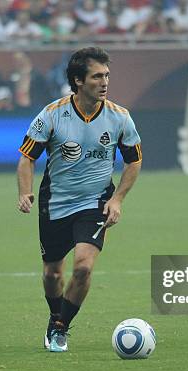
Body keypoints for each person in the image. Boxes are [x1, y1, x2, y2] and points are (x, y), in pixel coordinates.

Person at [16, 47, 142, 352]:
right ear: (78, 80)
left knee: (83, 267)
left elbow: (134, 160)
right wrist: (24, 191)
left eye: (107, 75)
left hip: (95, 202)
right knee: (52, 273)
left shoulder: (119, 117)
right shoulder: (52, 115)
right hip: (55, 203)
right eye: (97, 76)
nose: (104, 82)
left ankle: (60, 328)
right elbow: (26, 158)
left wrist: (118, 200)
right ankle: (54, 315)